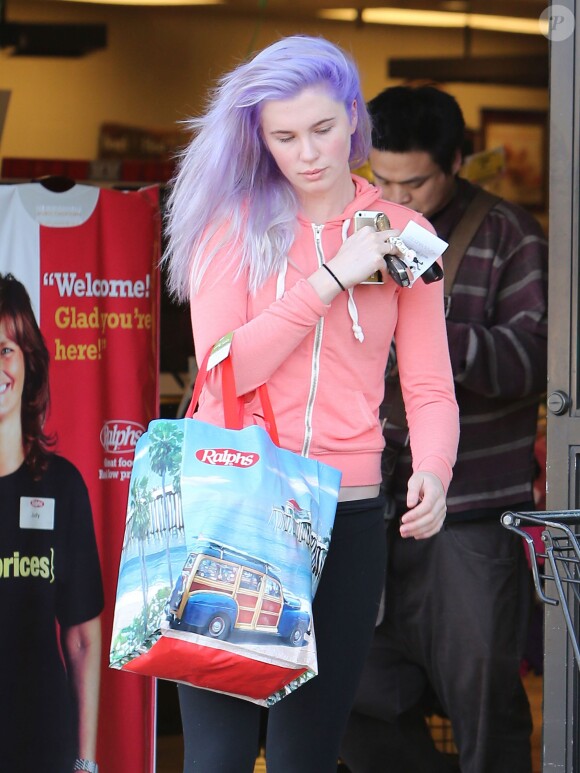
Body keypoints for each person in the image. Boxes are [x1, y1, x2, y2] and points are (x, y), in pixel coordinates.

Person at [162, 35, 459, 773]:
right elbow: (225, 369)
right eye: (284, 136)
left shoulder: (405, 237)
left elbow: (426, 381)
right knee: (220, 756)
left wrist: (436, 468)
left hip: (347, 508)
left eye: (324, 129)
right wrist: (331, 277)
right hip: (236, 503)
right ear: (260, 139)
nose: (308, 152)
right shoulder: (230, 226)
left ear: (354, 117)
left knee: (309, 753)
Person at [341, 85, 548, 773]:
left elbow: (532, 361)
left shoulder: (509, 235)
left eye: (417, 181)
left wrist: (429, 335)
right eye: (382, 177)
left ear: (458, 162)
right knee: (354, 692)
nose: (397, 193)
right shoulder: (353, 227)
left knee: (483, 698)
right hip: (368, 503)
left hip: (470, 514)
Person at [0, 273, 104, 773]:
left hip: (43, 746)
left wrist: (84, 763)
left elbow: (82, 638)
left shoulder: (61, 487)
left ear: (27, 363)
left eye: (5, 349)